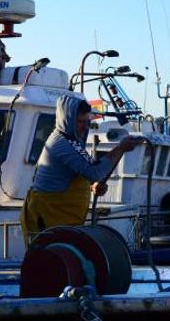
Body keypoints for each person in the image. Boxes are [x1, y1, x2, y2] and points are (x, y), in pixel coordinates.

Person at [20, 96, 142, 240]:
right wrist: (121, 148)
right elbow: (95, 172)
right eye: (80, 122)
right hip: (48, 223)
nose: (85, 126)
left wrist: (91, 186)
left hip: (62, 224)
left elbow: (80, 173)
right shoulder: (62, 143)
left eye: (87, 121)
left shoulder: (71, 141)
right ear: (67, 120)